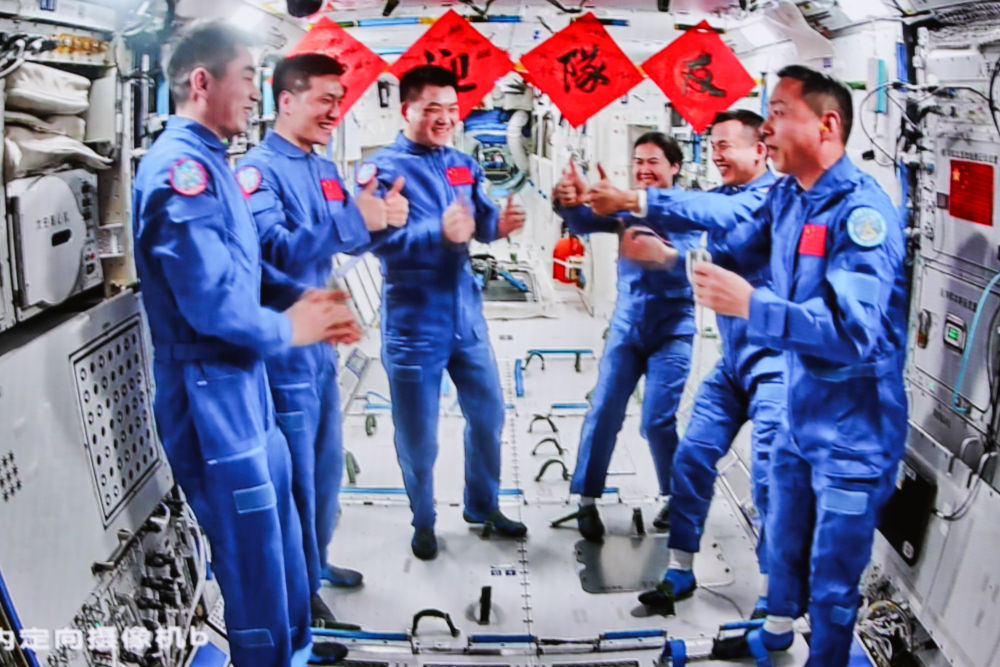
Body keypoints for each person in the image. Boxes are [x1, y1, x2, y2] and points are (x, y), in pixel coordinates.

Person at [133, 22, 354, 666]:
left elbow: (247, 270)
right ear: (203, 82)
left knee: (281, 529)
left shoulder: (214, 163)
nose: (258, 93)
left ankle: (298, 648)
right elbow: (211, 305)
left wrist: (305, 300)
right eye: (250, 77)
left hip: (245, 378)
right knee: (251, 550)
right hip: (208, 390)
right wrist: (292, 328)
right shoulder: (179, 172)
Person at [686, 65, 908, 666]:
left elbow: (851, 333)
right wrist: (642, 204)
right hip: (798, 410)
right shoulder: (789, 196)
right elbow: (729, 222)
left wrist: (751, 305)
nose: (766, 128)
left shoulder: (862, 214)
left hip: (854, 432)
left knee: (833, 579)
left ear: (826, 124)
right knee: (781, 540)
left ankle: (825, 658)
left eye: (779, 113)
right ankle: (777, 633)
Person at [587, 111, 782, 616]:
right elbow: (700, 228)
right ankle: (680, 571)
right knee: (692, 456)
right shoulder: (718, 197)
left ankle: (773, 597)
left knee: (769, 475)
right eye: (713, 145)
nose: (716, 154)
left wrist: (637, 202)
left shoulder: (773, 197)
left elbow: (718, 218)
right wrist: (592, 204)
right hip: (734, 360)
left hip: (775, 363)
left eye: (726, 145)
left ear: (761, 150)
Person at [238, 53, 408, 625]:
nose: (335, 112)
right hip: (287, 343)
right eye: (324, 100)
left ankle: (314, 562)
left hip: (320, 346)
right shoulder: (258, 172)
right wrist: (356, 221)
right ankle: (298, 593)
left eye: (340, 101)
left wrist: (382, 219)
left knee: (325, 468)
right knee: (295, 479)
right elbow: (276, 250)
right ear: (287, 101)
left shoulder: (323, 167)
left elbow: (347, 239)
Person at [360, 65, 527, 560]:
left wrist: (500, 224)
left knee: (488, 416)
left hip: (465, 317)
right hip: (413, 322)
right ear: (406, 109)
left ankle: (483, 506)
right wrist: (439, 232)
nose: (446, 118)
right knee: (419, 436)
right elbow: (375, 243)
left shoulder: (462, 164)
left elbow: (481, 222)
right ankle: (424, 520)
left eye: (453, 109)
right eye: (433, 108)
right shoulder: (382, 171)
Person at [552, 133, 699, 541]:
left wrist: (660, 251)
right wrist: (567, 199)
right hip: (628, 326)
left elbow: (689, 257)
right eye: (638, 161)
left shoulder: (690, 209)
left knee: (657, 420)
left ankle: (676, 497)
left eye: (653, 162)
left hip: (673, 329)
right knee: (603, 410)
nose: (644, 169)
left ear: (674, 167)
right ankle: (586, 499)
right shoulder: (625, 205)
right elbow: (584, 221)